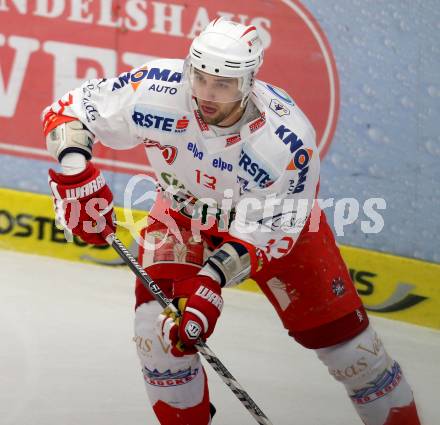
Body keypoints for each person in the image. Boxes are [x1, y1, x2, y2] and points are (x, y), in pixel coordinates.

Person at [42, 18, 421, 425]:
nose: (207, 94)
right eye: (200, 78)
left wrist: (211, 281)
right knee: (157, 335)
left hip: (280, 230)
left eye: (223, 85)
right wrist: (75, 176)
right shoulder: (156, 88)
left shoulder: (285, 138)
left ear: (248, 81)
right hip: (181, 216)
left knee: (354, 356)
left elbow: (274, 228)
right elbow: (72, 110)